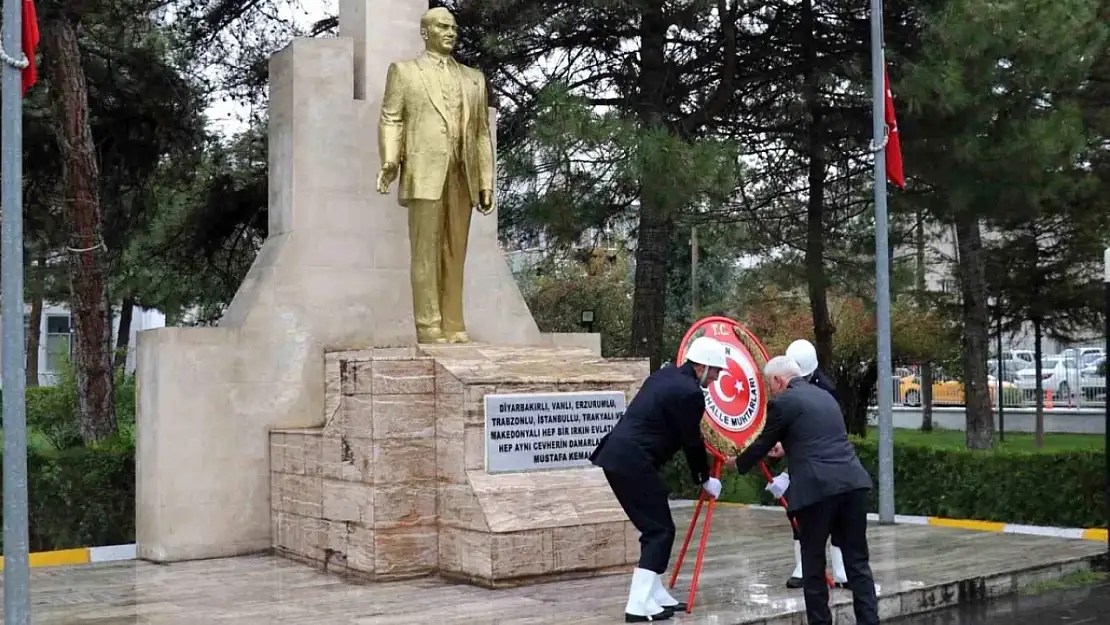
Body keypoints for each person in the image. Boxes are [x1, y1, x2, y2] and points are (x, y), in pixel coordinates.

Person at [726, 356, 879, 625]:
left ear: (778, 380)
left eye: (768, 384)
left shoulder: (783, 401)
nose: (770, 390)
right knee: (858, 562)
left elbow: (762, 444)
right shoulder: (825, 397)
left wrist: (736, 463)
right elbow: (822, 437)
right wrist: (788, 446)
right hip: (853, 483)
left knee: (813, 562)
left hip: (817, 490)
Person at [377, 7, 495, 344]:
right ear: (425, 32)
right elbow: (391, 118)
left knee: (456, 253)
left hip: (463, 173)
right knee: (425, 253)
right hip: (424, 172)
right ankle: (428, 327)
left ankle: (455, 325)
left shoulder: (474, 78)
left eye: (454, 28)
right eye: (443, 26)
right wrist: (390, 160)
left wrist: (486, 181)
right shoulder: (405, 72)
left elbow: (482, 133)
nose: (451, 32)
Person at [590, 336, 728, 622]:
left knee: (657, 526)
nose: (716, 378)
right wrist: (704, 478)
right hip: (633, 462)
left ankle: (655, 595)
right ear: (701, 365)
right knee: (659, 531)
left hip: (619, 457)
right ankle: (637, 605)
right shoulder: (690, 393)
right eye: (715, 371)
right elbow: (692, 441)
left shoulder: (665, 375)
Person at [781, 339, 848, 588]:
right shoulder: (790, 387)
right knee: (799, 512)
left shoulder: (826, 390)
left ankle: (842, 570)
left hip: (825, 461)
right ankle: (802, 567)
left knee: (835, 517)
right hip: (802, 459)